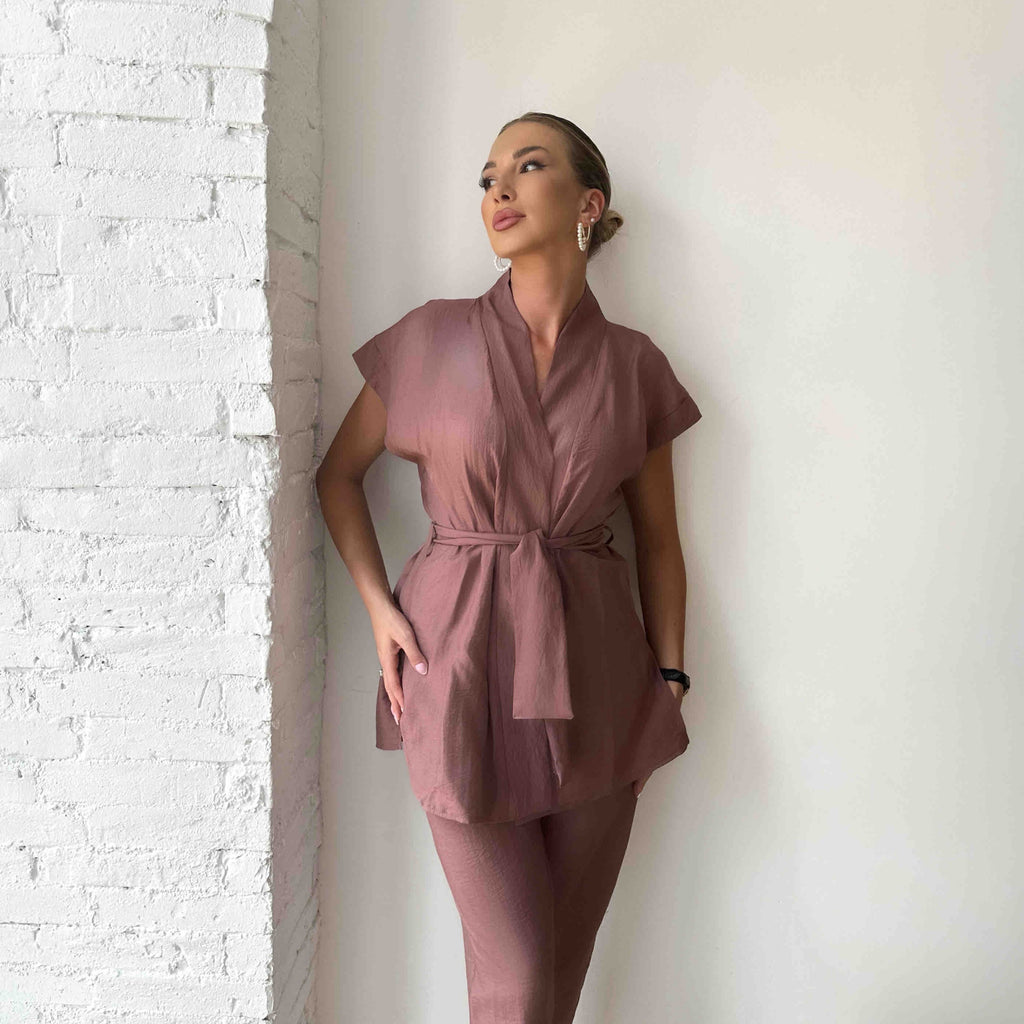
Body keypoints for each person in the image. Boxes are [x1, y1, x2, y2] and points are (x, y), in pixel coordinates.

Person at [316, 111, 702, 1024]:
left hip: (602, 680)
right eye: (488, 175)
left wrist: (674, 675)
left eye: (527, 168)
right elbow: (338, 476)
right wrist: (378, 609)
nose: (498, 189)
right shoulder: (430, 337)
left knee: (556, 985)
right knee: (518, 981)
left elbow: (658, 539)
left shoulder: (634, 365)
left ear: (587, 203)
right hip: (455, 670)